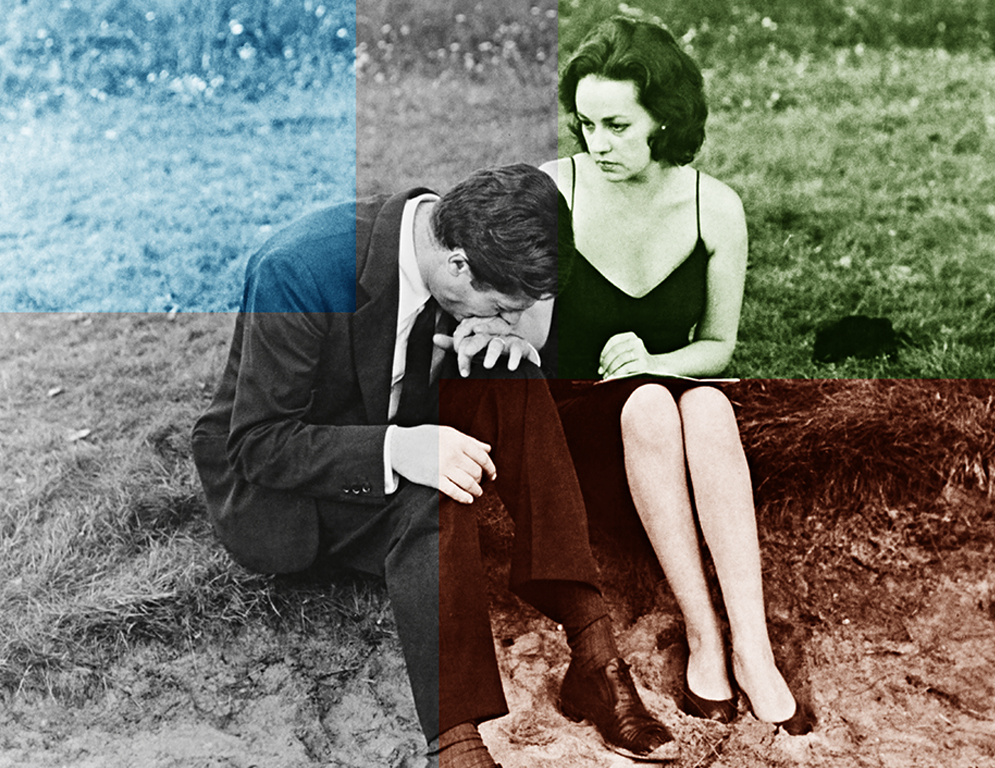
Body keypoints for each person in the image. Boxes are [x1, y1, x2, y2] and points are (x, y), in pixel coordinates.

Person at [190, 164, 673, 768]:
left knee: (514, 376)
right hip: (284, 488)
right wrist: (401, 448)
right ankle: (456, 742)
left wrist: (485, 343)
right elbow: (258, 443)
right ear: (458, 266)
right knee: (428, 481)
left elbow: (420, 360)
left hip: (389, 418)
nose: (504, 317)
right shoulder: (299, 268)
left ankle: (594, 653)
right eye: (501, 306)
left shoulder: (452, 236)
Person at [535, 17, 814, 734]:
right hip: (581, 423)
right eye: (588, 123)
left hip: (674, 417)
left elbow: (718, 345)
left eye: (620, 125)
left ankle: (751, 646)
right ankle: (703, 637)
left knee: (706, 407)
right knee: (652, 407)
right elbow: (516, 331)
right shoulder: (551, 193)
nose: (599, 144)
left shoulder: (714, 207)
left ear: (666, 118)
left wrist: (655, 362)